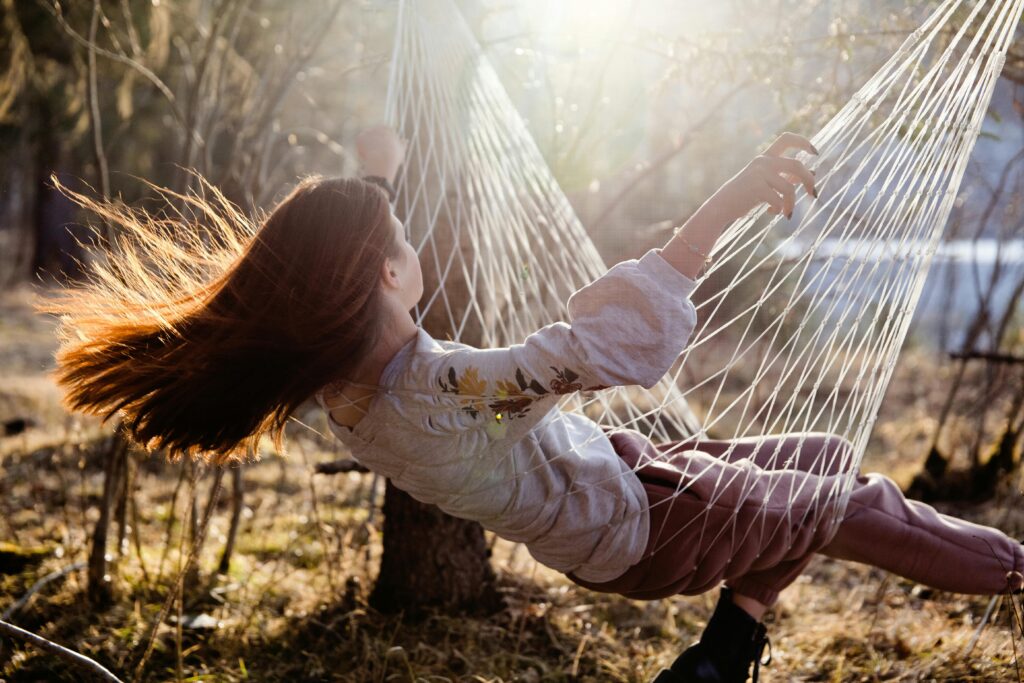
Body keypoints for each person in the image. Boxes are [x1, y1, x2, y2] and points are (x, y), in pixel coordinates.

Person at [45, 126, 1024, 683]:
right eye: (401, 232)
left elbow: (339, 269)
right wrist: (721, 204)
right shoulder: (450, 390)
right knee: (852, 503)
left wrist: (377, 170)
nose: (416, 243)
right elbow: (606, 347)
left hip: (622, 501)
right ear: (384, 273)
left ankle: (725, 651)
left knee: (810, 453)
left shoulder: (345, 386)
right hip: (647, 522)